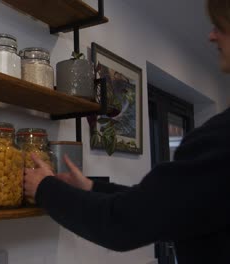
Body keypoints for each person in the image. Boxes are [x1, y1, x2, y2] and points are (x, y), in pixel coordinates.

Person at [23, 0, 230, 263]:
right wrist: (90, 187)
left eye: (220, 25)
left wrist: (44, 188)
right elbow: (162, 205)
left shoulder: (222, 138)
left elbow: (123, 223)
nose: (212, 35)